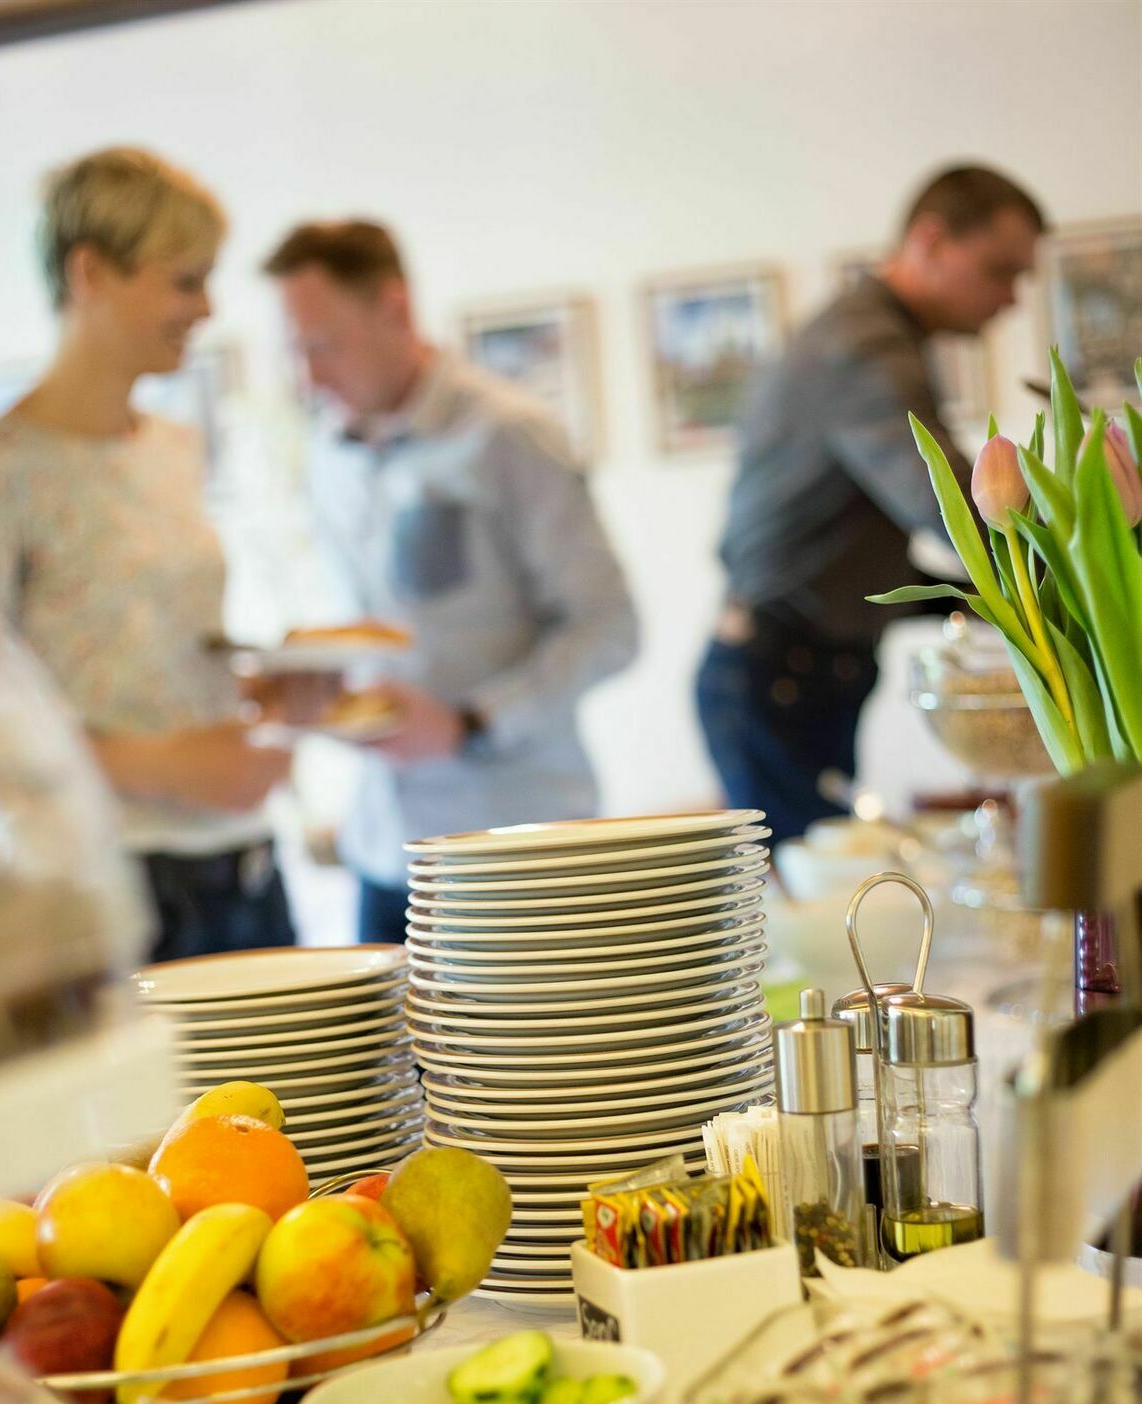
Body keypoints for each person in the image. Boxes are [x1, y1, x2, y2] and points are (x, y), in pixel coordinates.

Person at [0, 147, 303, 962]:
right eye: (184, 279)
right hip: (107, 886)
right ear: (90, 273)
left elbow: (143, 652)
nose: (207, 307)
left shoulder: (175, 449)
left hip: (244, 865)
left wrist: (266, 697)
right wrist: (168, 768)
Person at [263, 221, 638, 943]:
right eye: (295, 353)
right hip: (384, 853)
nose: (309, 378)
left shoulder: (508, 435)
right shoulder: (325, 453)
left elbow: (610, 626)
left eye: (322, 346)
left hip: (517, 857)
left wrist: (469, 723)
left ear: (394, 310)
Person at [697, 164, 1046, 847]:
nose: (1010, 298)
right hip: (781, 675)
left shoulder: (870, 335)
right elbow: (947, 502)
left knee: (825, 899)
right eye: (999, 270)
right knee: (820, 915)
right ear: (931, 240)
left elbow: (865, 543)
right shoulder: (863, 345)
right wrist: (1078, 575)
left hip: (785, 669)